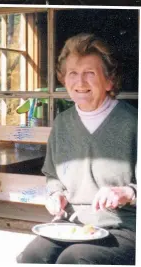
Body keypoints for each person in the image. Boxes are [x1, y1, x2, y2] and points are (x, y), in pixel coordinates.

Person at [16, 33, 137, 265]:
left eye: (89, 73)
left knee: (74, 260)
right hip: (72, 225)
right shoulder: (62, 123)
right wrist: (55, 194)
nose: (80, 83)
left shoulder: (133, 123)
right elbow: (52, 176)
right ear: (64, 79)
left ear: (110, 80)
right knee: (32, 257)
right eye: (72, 73)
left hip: (123, 228)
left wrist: (128, 192)